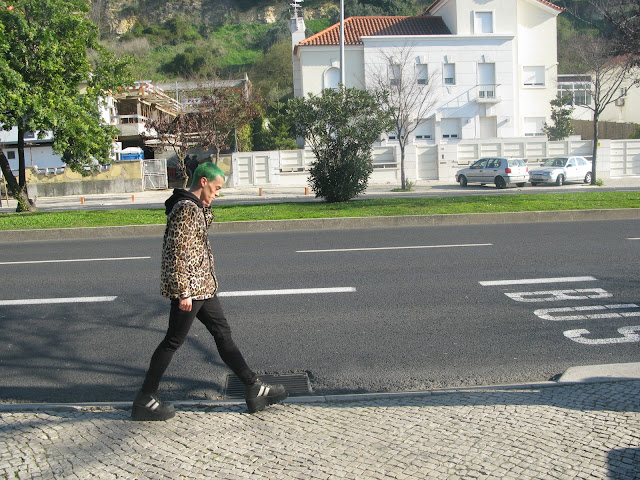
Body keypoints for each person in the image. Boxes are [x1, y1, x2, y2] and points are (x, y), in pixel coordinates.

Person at [132, 162, 287, 421]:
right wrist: (183, 292)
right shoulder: (186, 209)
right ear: (203, 182)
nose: (217, 193)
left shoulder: (195, 207)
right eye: (216, 188)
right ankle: (145, 398)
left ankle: (253, 387)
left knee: (222, 334)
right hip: (191, 290)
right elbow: (177, 252)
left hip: (203, 287)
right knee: (173, 341)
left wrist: (205, 204)